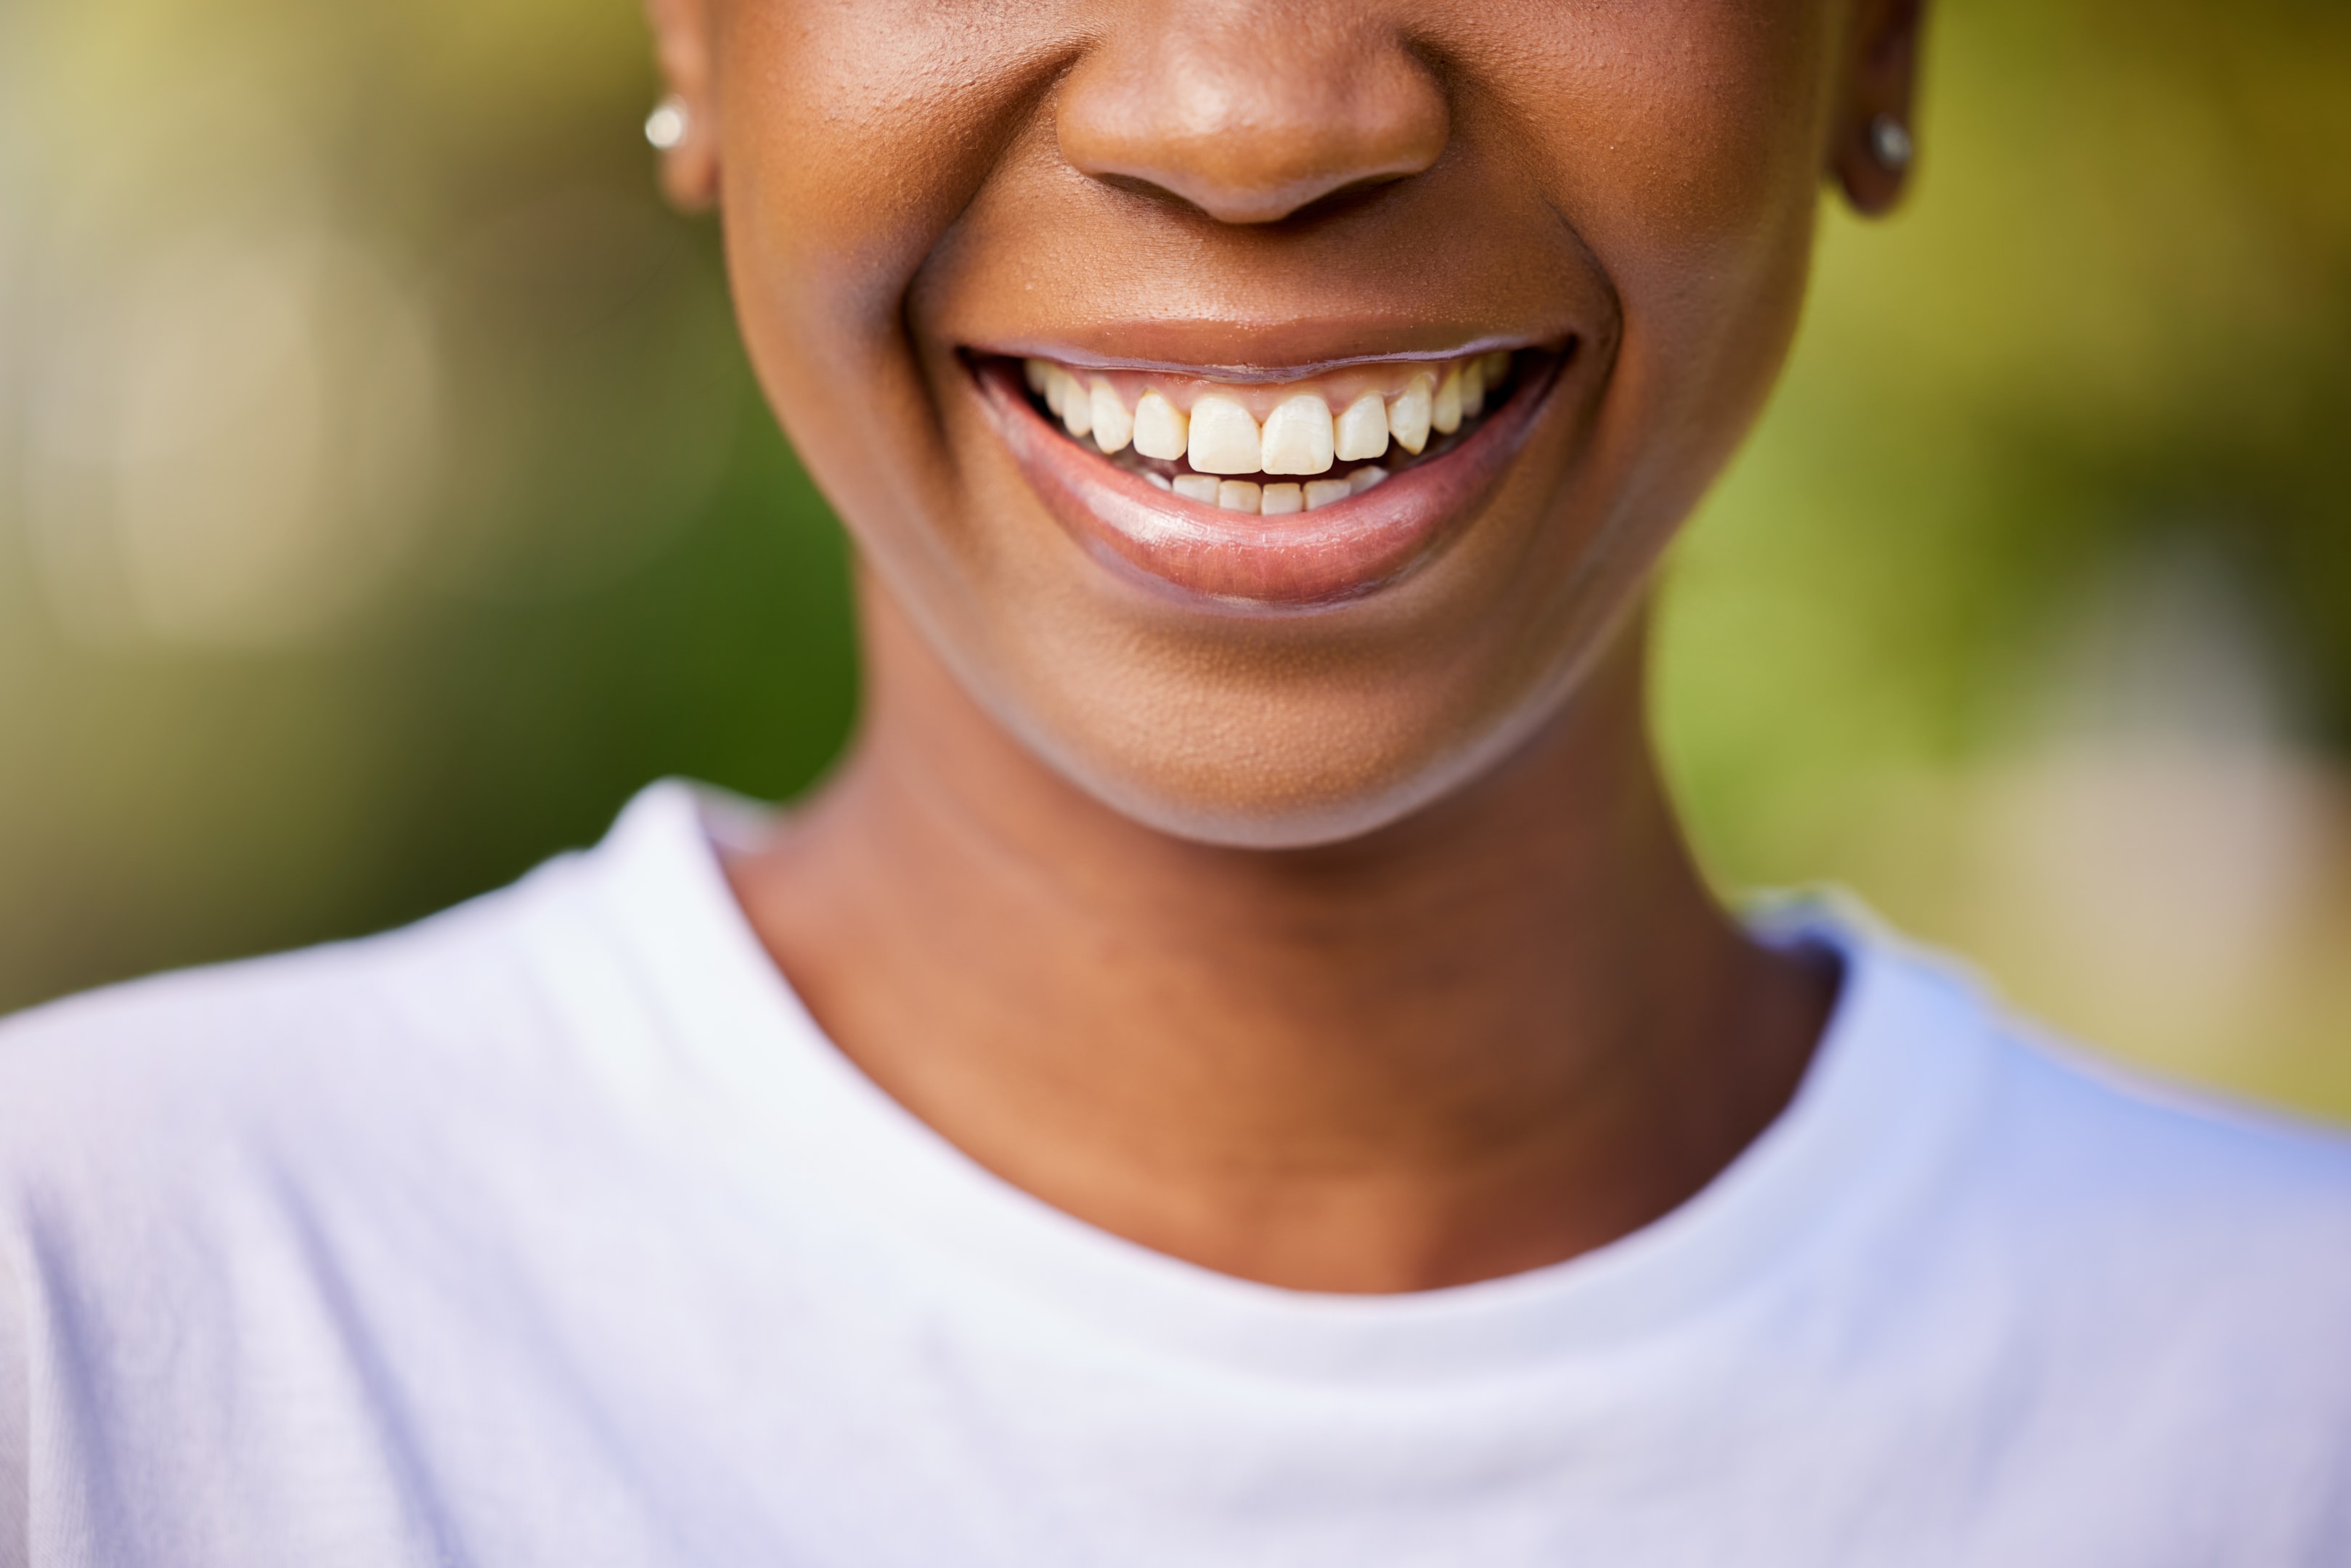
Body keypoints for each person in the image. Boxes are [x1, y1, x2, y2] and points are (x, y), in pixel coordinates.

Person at [2, 0, 2347, 1561]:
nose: (1254, 114)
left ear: (1877, 40)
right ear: (698, 33)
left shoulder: (2283, 1407)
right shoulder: (100, 1334)